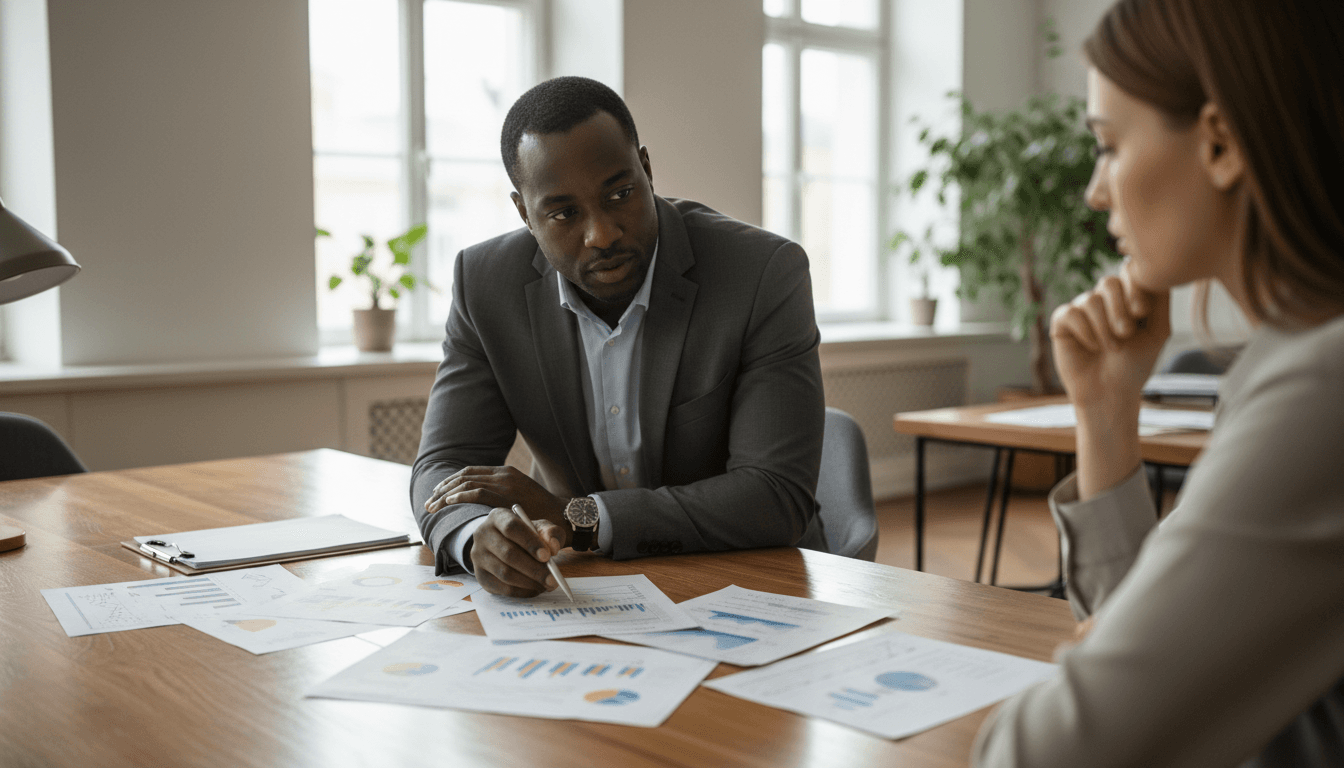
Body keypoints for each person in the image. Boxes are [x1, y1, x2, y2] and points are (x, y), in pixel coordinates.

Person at [973, 1, 1344, 765]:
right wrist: (1106, 413)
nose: (1095, 192)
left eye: (1108, 146)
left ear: (1220, 142)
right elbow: (1165, 659)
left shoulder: (1321, 384)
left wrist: (1104, 652)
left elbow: (1055, 751)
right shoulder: (1290, 353)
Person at [410, 76, 827, 598]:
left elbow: (775, 497)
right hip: (580, 588)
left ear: (647, 170)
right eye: (563, 213)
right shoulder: (485, 282)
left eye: (620, 194)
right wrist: (477, 539)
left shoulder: (762, 273)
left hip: (748, 580)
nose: (602, 234)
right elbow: (444, 467)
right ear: (524, 213)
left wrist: (577, 516)